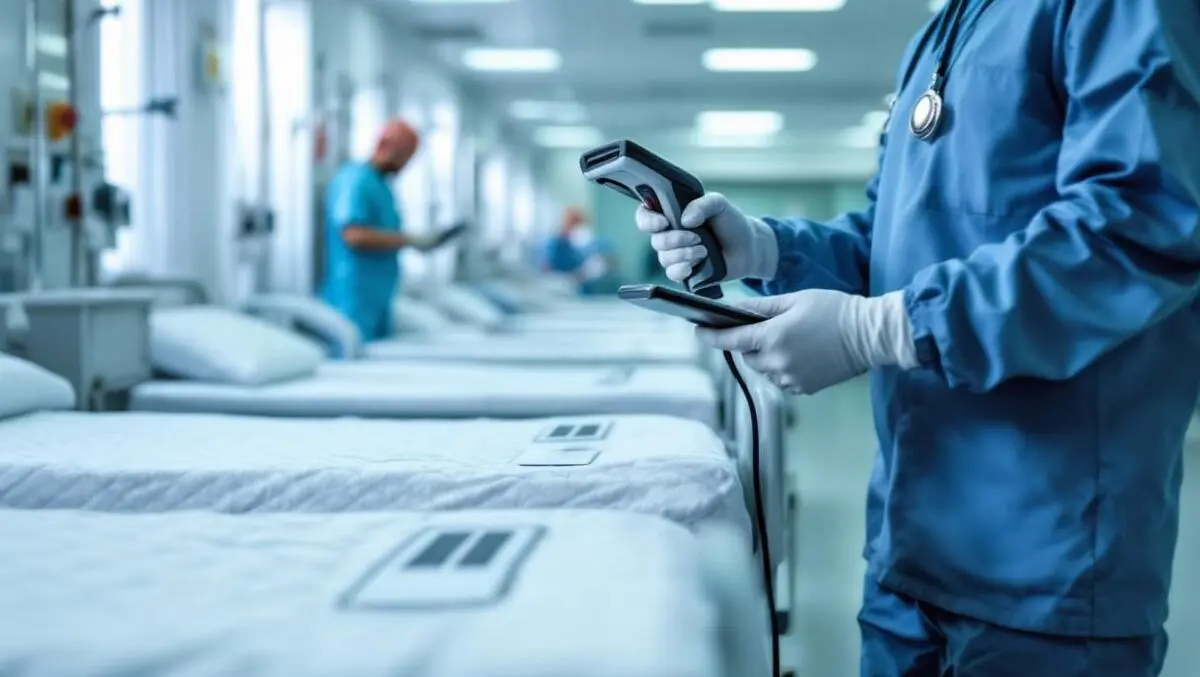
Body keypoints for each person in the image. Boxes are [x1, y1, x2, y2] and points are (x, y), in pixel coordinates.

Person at [637, 1, 1200, 674]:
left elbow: (1135, 229)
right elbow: (890, 243)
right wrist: (762, 247)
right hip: (909, 547)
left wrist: (877, 326)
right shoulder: (948, 27)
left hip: (1049, 560)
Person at [321, 119, 451, 341]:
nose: (406, 164)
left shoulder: (381, 186)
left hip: (378, 296)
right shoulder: (356, 179)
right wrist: (410, 241)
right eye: (406, 156)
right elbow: (353, 235)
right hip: (353, 296)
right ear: (388, 147)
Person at [542, 207, 620, 295]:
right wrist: (574, 276)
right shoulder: (556, 244)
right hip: (561, 287)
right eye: (576, 225)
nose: (580, 230)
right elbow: (548, 268)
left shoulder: (586, 245)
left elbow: (608, 263)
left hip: (583, 289)